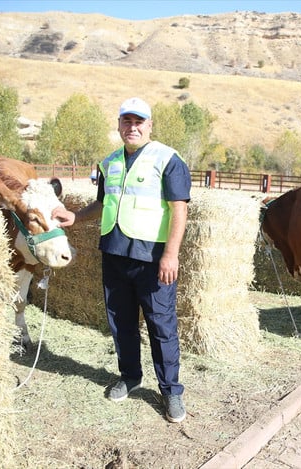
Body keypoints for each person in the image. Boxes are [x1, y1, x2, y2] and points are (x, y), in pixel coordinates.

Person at [52, 97, 191, 422]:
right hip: (114, 254)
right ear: (118, 125)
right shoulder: (110, 162)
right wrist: (76, 217)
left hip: (152, 260)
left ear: (149, 125)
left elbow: (179, 210)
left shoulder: (168, 159)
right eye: (126, 121)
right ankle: (130, 376)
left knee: (161, 327)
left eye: (138, 121)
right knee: (121, 324)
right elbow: (102, 203)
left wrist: (171, 255)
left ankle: (171, 391)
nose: (132, 127)